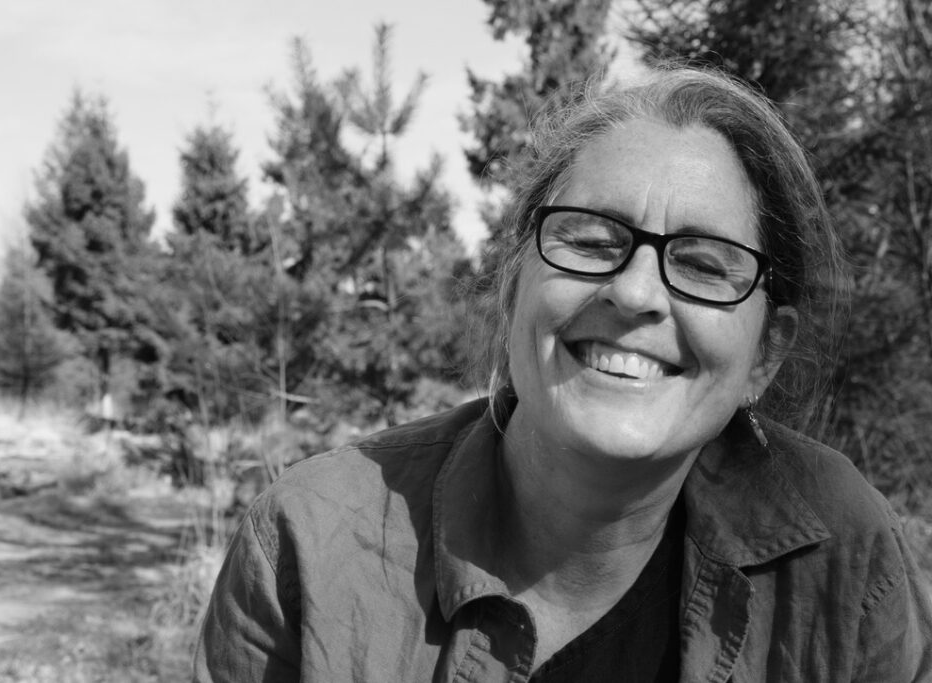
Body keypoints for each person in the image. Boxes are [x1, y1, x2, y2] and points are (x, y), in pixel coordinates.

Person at [194, 65, 932, 682]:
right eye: (590, 239)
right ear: (515, 284)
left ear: (764, 355)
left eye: (705, 264)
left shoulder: (842, 555)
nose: (636, 292)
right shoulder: (311, 551)